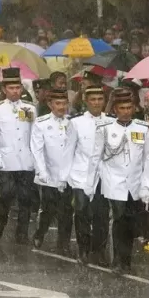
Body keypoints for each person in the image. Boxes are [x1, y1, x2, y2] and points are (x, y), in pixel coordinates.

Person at [88, 89, 149, 275]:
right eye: (122, 108)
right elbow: (96, 157)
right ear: (115, 109)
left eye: (129, 107)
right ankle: (118, 260)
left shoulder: (143, 128)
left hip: (135, 183)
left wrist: (147, 184)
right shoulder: (105, 128)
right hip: (113, 182)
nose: (126, 111)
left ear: (134, 108)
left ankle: (126, 260)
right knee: (118, 220)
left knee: (132, 222)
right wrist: (90, 183)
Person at [63, 86, 114, 265]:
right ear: (86, 100)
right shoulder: (76, 122)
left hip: (102, 175)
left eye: (100, 99)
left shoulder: (110, 122)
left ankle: (98, 250)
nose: (97, 103)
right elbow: (68, 150)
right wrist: (65, 177)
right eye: (93, 99)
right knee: (81, 211)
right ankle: (83, 249)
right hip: (81, 174)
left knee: (101, 214)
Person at [0, 68, 38, 243]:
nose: (15, 91)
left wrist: (36, 159)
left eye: (17, 87)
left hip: (26, 159)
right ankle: (0, 223)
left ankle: (22, 232)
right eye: (11, 88)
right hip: (6, 159)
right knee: (7, 194)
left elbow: (35, 135)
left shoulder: (30, 108)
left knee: (25, 197)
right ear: (4, 90)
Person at [30, 88, 74, 252]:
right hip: (48, 173)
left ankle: (64, 243)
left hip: (68, 174)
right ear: (50, 104)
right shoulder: (41, 123)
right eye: (58, 103)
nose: (61, 107)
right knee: (48, 208)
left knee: (67, 210)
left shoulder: (72, 123)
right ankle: (40, 233)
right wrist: (42, 172)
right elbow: (37, 150)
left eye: (64, 103)